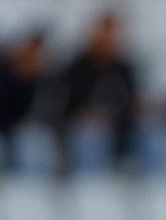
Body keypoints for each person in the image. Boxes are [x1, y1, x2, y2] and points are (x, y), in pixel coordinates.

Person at [58, 11, 139, 169]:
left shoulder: (125, 69)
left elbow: (131, 106)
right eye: (103, 32)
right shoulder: (77, 68)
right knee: (91, 132)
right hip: (85, 134)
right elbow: (67, 107)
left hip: (121, 132)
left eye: (111, 33)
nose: (107, 38)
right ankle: (93, 190)